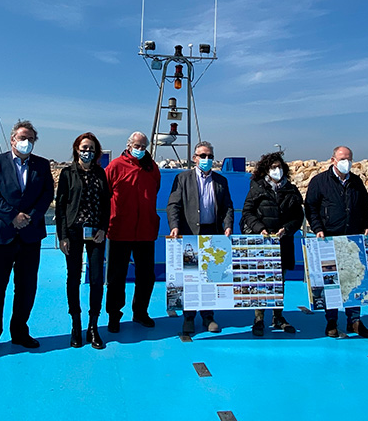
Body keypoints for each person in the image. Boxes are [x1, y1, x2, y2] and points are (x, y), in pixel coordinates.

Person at [0, 120, 54, 357]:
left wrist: (29, 217)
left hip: (30, 235)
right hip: (2, 234)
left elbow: (47, 194)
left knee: (27, 287)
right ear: (12, 139)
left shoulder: (41, 165)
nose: (26, 142)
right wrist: (12, 216)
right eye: (22, 137)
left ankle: (20, 331)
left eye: (31, 138)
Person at [305, 146, 368, 338]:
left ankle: (355, 321)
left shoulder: (356, 182)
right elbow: (311, 207)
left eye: (350, 159)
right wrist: (318, 228)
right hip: (329, 238)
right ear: (333, 160)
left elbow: (364, 206)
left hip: (352, 238)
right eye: (343, 158)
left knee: (355, 280)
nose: (347, 162)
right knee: (332, 282)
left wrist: (366, 224)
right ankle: (332, 321)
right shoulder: (319, 182)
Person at [167, 141, 234, 335]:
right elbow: (173, 205)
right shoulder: (183, 178)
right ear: (195, 158)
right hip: (190, 235)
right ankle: (188, 317)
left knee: (210, 277)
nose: (206, 160)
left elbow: (227, 206)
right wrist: (175, 226)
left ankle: (208, 316)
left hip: (213, 235)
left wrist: (227, 225)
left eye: (210, 156)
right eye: (202, 156)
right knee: (189, 277)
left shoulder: (221, 181)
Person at [55, 132, 110, 350]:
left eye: (91, 149)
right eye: (84, 148)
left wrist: (104, 229)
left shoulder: (100, 174)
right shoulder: (68, 174)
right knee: (73, 277)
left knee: (97, 278)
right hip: (74, 231)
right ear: (77, 149)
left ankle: (93, 326)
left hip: (95, 233)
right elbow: (60, 207)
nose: (87, 152)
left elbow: (106, 204)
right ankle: (76, 325)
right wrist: (63, 236)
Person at [241, 152, 303, 336]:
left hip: (283, 242)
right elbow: (248, 212)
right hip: (262, 243)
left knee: (279, 281)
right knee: (261, 280)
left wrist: (287, 228)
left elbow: (298, 216)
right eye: (273, 167)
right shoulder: (257, 189)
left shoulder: (291, 190)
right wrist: (260, 228)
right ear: (266, 170)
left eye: (280, 167)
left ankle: (278, 316)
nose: (277, 170)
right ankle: (258, 318)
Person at [105, 131, 161, 333]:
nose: (140, 149)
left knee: (146, 276)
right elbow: (106, 194)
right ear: (128, 145)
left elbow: (155, 189)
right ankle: (114, 315)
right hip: (120, 230)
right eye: (137, 145)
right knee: (116, 277)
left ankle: (140, 312)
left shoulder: (152, 167)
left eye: (143, 146)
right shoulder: (115, 167)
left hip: (145, 231)